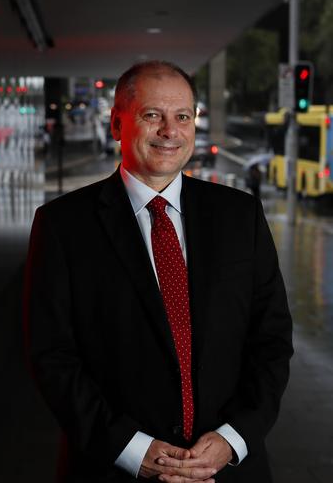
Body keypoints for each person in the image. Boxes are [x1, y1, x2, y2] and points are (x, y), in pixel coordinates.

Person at [24, 61, 293, 482]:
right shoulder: (63, 226)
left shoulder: (241, 216)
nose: (170, 131)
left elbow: (272, 340)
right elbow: (52, 356)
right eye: (153, 115)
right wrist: (131, 449)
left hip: (231, 470)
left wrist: (234, 438)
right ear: (117, 124)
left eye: (182, 116)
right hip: (112, 470)